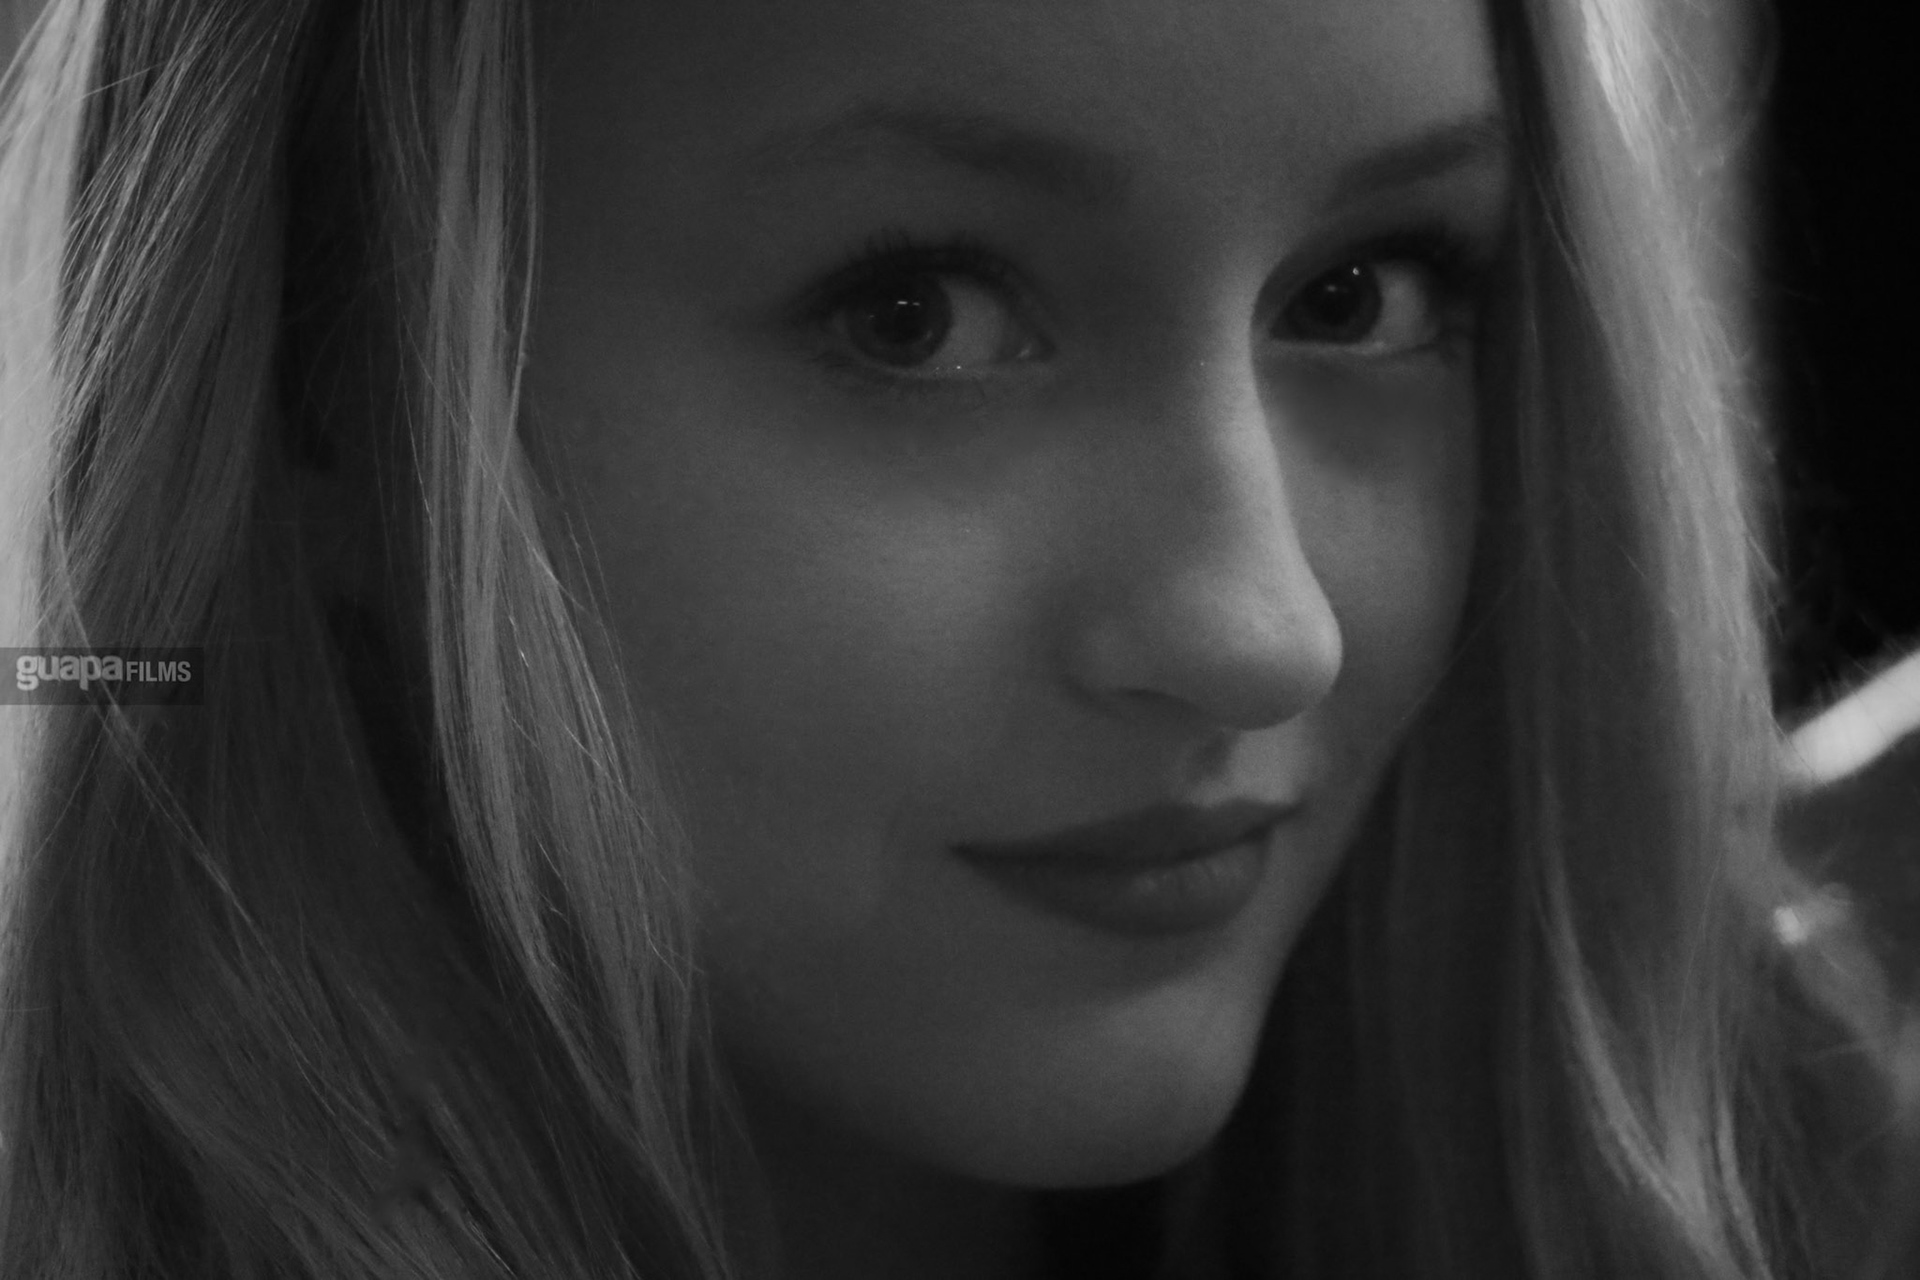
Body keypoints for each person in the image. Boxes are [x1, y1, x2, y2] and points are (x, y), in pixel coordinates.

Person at [0, 1, 1910, 1277]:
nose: (1267, 634)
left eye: (1361, 294)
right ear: (319, 390)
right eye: (916, 312)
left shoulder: (1762, 1145)